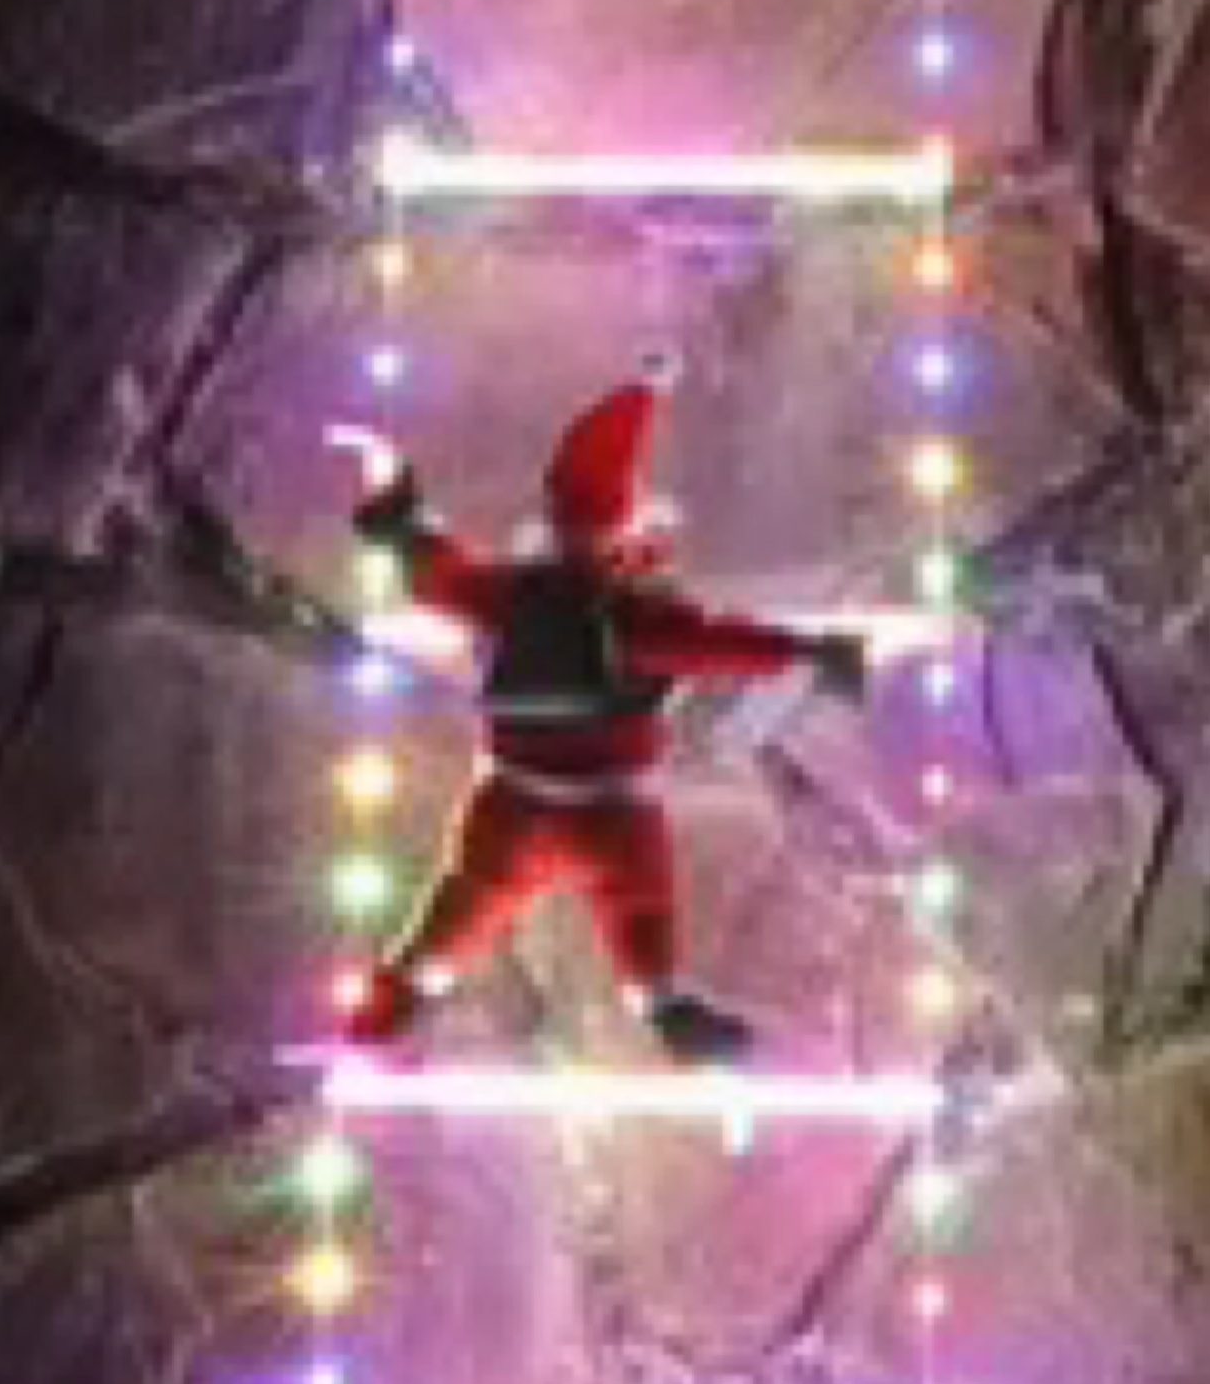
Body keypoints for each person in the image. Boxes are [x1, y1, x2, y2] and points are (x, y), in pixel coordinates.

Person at [339, 354, 870, 1066]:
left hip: (511, 800)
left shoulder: (513, 594)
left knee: (468, 903)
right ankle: (660, 1003)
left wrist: (402, 520)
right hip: (611, 810)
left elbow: (441, 579)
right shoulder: (632, 617)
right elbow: (714, 643)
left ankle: (401, 995)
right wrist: (809, 653)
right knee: (637, 907)